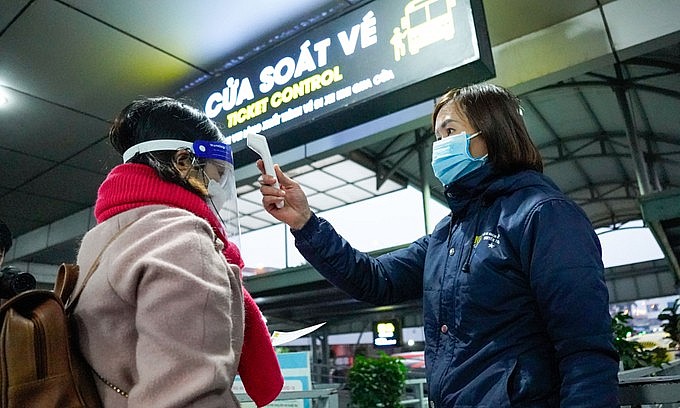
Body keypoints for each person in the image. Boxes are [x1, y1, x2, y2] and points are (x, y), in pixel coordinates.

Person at [257, 83, 620, 407]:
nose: (439, 146)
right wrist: (305, 223)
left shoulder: (543, 215)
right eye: (437, 135)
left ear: (491, 136)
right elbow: (374, 278)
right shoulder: (449, 234)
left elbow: (585, 349)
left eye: (450, 131)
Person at [74, 97, 282, 407]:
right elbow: (187, 397)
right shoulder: (182, 241)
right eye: (217, 171)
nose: (221, 185)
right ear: (184, 162)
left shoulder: (101, 240)